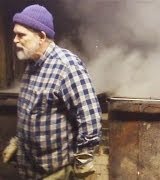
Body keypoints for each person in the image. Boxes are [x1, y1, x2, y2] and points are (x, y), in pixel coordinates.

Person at [2, 4, 102, 179]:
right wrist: (17, 142)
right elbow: (30, 113)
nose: (15, 40)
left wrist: (83, 160)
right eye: (14, 34)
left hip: (55, 173)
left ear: (41, 36)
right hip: (29, 170)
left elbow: (90, 117)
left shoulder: (67, 66)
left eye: (21, 35)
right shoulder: (32, 65)